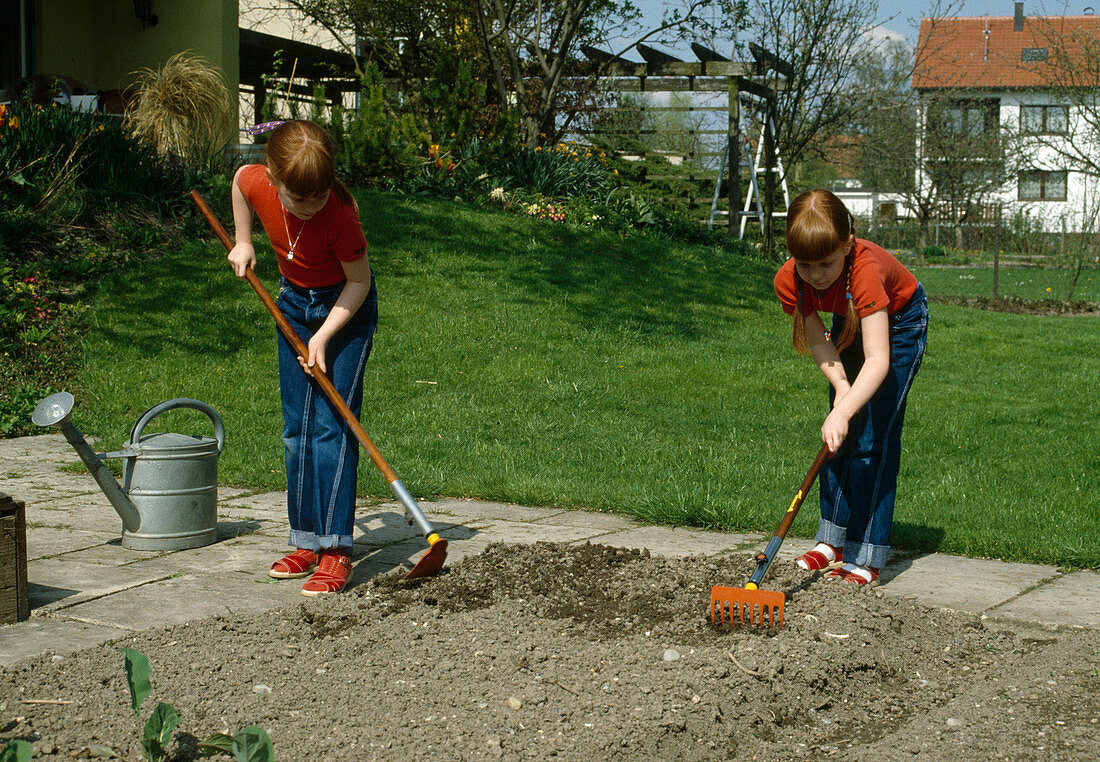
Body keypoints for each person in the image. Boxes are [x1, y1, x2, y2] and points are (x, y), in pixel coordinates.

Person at [228, 120, 377, 596]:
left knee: (333, 425)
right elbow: (237, 182)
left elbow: (360, 283)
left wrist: (323, 337)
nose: (311, 208)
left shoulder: (340, 217)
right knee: (298, 429)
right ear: (273, 178)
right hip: (292, 303)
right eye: (300, 199)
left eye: (319, 197)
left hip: (343, 311)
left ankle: (335, 549)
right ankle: (305, 540)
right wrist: (244, 240)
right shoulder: (259, 181)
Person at [773, 189, 928, 585]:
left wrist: (845, 408)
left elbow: (878, 360)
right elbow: (818, 339)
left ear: (847, 244)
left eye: (826, 263)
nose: (816, 274)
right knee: (839, 438)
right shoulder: (794, 279)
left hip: (898, 323)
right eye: (805, 264)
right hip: (850, 317)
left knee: (872, 441)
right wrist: (841, 388)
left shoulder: (864, 269)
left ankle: (866, 554)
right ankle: (833, 541)